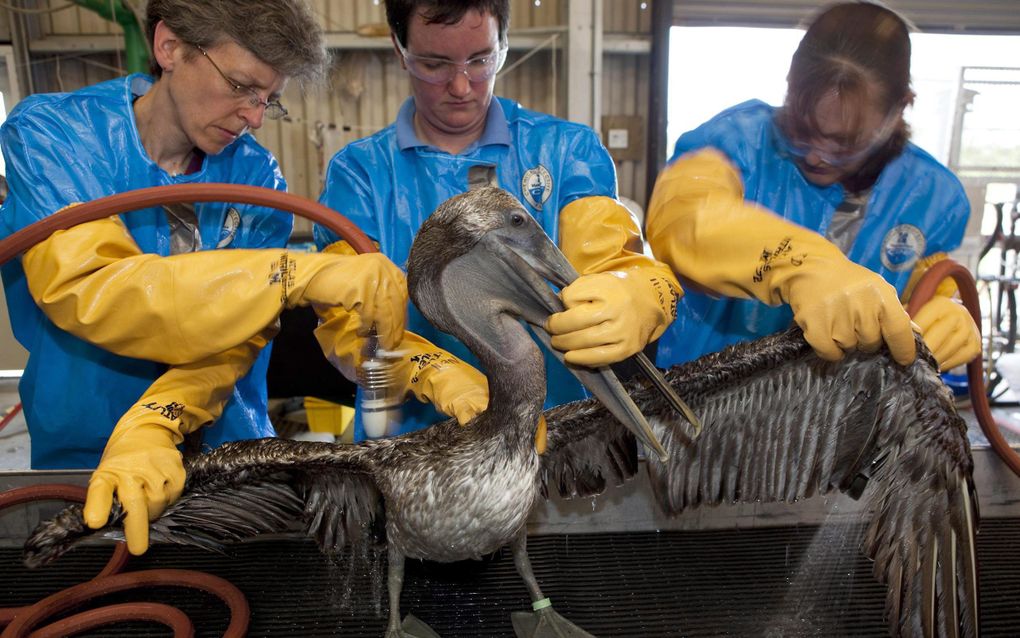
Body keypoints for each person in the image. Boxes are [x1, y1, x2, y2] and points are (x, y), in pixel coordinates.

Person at [0, 0, 410, 555]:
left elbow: (235, 337)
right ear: (169, 47)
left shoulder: (257, 176)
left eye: (269, 100)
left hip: (229, 453)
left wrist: (156, 420)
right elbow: (95, 288)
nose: (254, 117)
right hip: (88, 452)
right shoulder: (53, 136)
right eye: (241, 85)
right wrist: (291, 272)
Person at [316, 0, 681, 440]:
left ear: (504, 44)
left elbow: (608, 258)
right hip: (411, 447)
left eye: (481, 59)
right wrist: (437, 375)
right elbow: (351, 323)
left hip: (560, 437)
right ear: (400, 49)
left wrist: (633, 290)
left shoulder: (567, 152)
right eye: (434, 63)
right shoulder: (360, 175)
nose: (461, 85)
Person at [645, 2, 981, 374]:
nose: (817, 156)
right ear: (790, 86)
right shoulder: (732, 143)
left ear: (898, 110)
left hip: (843, 415)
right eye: (801, 131)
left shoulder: (933, 197)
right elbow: (685, 220)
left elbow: (927, 287)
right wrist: (800, 264)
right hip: (702, 400)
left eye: (845, 143)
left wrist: (946, 311)